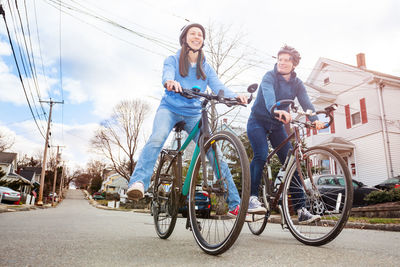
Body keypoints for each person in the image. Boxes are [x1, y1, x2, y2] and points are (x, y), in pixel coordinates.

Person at [127, 23, 247, 217]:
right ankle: (138, 182)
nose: (197, 36)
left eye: (200, 34)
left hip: (193, 113)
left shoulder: (205, 67)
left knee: (214, 151)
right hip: (170, 108)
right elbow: (167, 75)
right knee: (157, 137)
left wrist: (235, 96)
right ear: (185, 38)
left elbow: (218, 86)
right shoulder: (173, 60)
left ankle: (235, 203)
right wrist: (170, 82)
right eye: (193, 33)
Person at [246, 45, 324, 223]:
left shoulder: (297, 83)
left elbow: (306, 102)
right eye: (279, 59)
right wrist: (275, 109)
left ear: (294, 64)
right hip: (258, 121)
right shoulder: (269, 76)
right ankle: (251, 198)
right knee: (261, 154)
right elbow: (268, 95)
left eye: (286, 60)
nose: (282, 62)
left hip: (278, 125)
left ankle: (301, 210)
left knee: (291, 163)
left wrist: (315, 119)